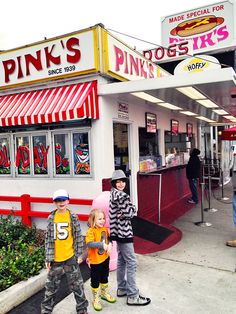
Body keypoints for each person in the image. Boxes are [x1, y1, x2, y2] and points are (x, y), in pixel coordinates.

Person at [41, 189, 88, 314]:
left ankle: (82, 309)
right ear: (54, 202)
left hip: (70, 257)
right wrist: (48, 258)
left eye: (63, 200)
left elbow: (78, 236)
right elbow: (48, 239)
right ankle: (46, 310)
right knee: (51, 287)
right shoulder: (51, 217)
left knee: (77, 285)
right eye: (58, 200)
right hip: (56, 258)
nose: (61, 203)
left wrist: (78, 254)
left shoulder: (72, 217)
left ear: (68, 201)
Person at [109, 169, 151, 306]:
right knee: (131, 262)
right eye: (118, 182)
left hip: (117, 232)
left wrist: (127, 211)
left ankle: (122, 288)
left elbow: (125, 212)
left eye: (122, 181)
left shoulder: (113, 194)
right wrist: (133, 209)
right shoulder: (121, 196)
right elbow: (130, 212)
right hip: (124, 232)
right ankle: (133, 295)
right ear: (114, 183)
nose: (121, 184)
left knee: (122, 260)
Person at [86, 208, 116, 311]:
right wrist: (102, 245)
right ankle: (96, 298)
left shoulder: (104, 229)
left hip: (105, 258)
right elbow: (89, 243)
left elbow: (109, 238)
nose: (102, 221)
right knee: (95, 280)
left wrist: (110, 244)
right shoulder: (91, 231)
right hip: (95, 261)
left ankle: (104, 293)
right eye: (99, 219)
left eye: (103, 218)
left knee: (104, 276)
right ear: (93, 220)